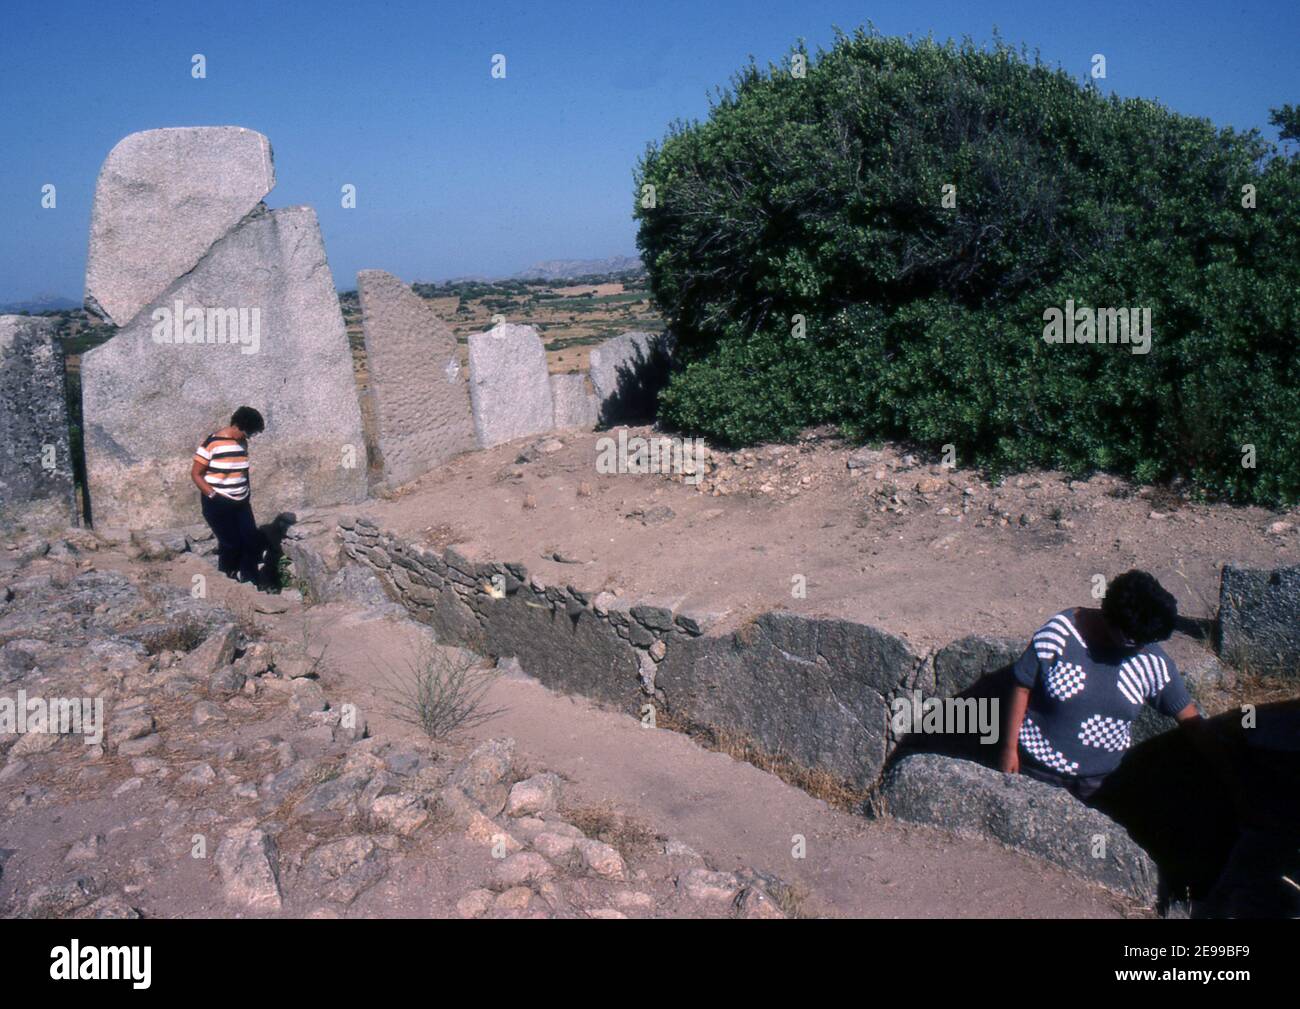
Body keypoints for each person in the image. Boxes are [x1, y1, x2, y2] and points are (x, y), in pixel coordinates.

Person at [999, 569, 1209, 802]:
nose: (1142, 649)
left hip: (1099, 783)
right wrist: (1009, 749)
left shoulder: (1152, 662)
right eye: (1136, 641)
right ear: (1114, 621)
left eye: (1147, 642)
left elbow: (1190, 719)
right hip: (1037, 770)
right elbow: (1022, 687)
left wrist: (1229, 767)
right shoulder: (1059, 634)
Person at [190, 407, 265, 585]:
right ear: (239, 427)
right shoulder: (213, 443)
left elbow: (242, 471)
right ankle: (226, 580)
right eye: (249, 433)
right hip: (218, 502)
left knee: (250, 541)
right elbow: (196, 474)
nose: (249, 438)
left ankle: (251, 583)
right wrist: (213, 495)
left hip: (241, 502)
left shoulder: (241, 443)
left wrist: (246, 493)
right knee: (230, 543)